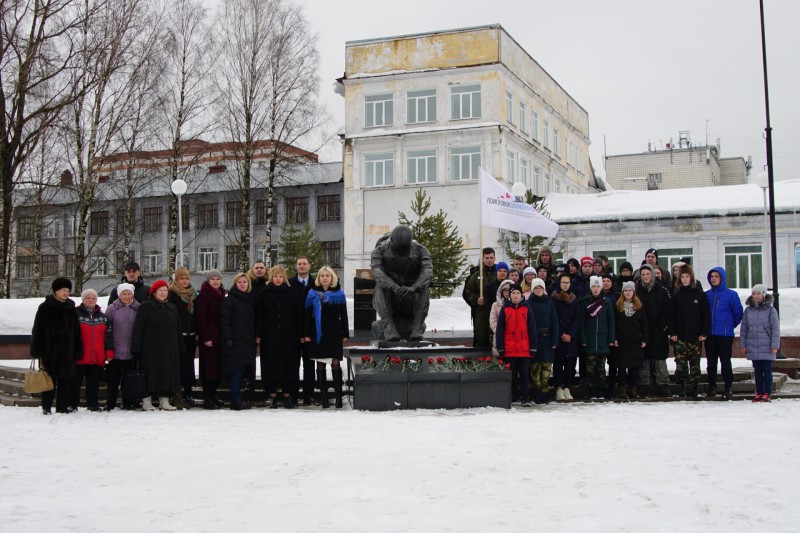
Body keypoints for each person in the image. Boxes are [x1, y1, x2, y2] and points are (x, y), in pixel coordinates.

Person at [131, 280, 184, 411]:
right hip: (150, 349)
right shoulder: (145, 306)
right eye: (160, 290)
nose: (163, 293)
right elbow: (138, 328)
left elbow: (178, 328)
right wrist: (136, 347)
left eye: (165, 290)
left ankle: (164, 400)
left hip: (169, 349)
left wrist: (181, 346)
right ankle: (146, 400)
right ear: (154, 293)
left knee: (166, 373)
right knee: (149, 374)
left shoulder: (172, 307)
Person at [31, 277, 81, 415]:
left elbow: (76, 331)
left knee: (65, 381)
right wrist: (36, 349)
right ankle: (46, 406)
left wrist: (77, 349)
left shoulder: (71, 307)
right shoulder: (45, 307)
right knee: (49, 380)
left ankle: (62, 407)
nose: (66, 293)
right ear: (56, 291)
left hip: (67, 351)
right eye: (63, 290)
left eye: (68, 290)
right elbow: (38, 329)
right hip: (49, 351)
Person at [256, 266, 304, 408]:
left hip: (290, 337)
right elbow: (259, 316)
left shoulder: (291, 293)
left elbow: (298, 315)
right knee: (270, 366)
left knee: (290, 366)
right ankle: (272, 396)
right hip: (269, 337)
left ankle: (287, 395)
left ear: (284, 278)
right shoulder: (264, 293)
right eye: (275, 276)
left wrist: (300, 334)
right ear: (271, 277)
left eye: (281, 276)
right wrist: (258, 334)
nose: (278, 279)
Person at [304, 266, 349, 408]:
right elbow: (307, 315)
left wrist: (345, 333)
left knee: (335, 362)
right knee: (320, 362)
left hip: (334, 333)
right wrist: (306, 333)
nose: (324, 278)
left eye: (327, 275)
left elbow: (344, 315)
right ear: (318, 278)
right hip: (318, 333)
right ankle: (323, 396)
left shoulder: (339, 294)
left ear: (332, 278)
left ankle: (338, 396)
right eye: (322, 275)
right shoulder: (312, 293)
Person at [669, 264, 710, 399]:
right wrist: (673, 333)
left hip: (695, 337)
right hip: (680, 337)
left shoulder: (699, 294)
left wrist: (704, 332)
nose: (685, 279)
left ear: (691, 278)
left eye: (687, 276)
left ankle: (693, 389)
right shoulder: (676, 295)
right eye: (682, 277)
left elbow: (706, 315)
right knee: (681, 366)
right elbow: (672, 316)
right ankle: (683, 389)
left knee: (695, 366)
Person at [705, 267, 744, 400]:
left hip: (725, 334)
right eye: (712, 276)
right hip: (710, 334)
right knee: (711, 362)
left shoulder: (731, 295)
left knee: (725, 361)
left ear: (722, 278)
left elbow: (738, 313)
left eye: (716, 276)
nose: (713, 278)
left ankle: (728, 387)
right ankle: (712, 386)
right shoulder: (707, 294)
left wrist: (729, 325)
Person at [72, 289, 113, 412]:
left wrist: (109, 352)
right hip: (79, 356)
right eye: (88, 298)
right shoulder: (75, 315)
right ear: (83, 300)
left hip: (97, 357)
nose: (91, 300)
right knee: (75, 383)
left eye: (93, 298)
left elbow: (109, 337)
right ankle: (72, 404)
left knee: (93, 384)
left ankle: (93, 404)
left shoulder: (103, 317)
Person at [221, 273, 257, 411]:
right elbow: (225, 319)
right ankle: (235, 399)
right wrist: (228, 337)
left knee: (243, 371)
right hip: (235, 341)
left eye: (245, 282)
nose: (242, 284)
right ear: (235, 284)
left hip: (247, 341)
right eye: (239, 282)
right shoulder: (230, 299)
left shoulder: (250, 299)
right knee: (236, 370)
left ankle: (238, 398)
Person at [496, 284, 537, 406]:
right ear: (510, 295)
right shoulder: (505, 309)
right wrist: (501, 347)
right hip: (510, 349)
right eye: (513, 293)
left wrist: (533, 346)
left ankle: (525, 397)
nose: (515, 295)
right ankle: (511, 397)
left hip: (524, 349)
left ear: (522, 295)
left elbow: (532, 329)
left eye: (518, 293)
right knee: (511, 374)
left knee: (524, 374)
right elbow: (500, 330)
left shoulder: (527, 308)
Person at [636, 264, 672, 397]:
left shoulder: (661, 290)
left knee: (659, 357)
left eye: (648, 274)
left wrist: (661, 326)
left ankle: (663, 383)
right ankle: (643, 384)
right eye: (643, 274)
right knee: (644, 358)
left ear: (652, 275)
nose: (645, 277)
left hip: (658, 330)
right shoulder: (637, 290)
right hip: (642, 329)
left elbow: (666, 310)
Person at [740, 284, 780, 402]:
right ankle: (759, 392)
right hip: (753, 345)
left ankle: (767, 393)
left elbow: (775, 329)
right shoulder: (748, 311)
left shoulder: (771, 311)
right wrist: (743, 344)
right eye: (754, 294)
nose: (756, 296)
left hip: (767, 345)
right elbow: (744, 328)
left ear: (763, 295)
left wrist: (775, 345)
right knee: (757, 370)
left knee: (766, 370)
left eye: (758, 293)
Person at [579, 276, 616, 400]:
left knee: (601, 368)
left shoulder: (606, 302)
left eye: (598, 286)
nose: (596, 289)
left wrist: (611, 339)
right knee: (590, 368)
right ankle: (591, 390)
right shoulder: (584, 302)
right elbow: (582, 323)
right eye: (594, 286)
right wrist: (583, 339)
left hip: (603, 341)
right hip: (589, 341)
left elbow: (611, 321)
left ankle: (600, 390)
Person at [195, 269, 226, 410]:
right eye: (212, 279)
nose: (215, 281)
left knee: (218, 369)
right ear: (208, 281)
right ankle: (208, 398)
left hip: (220, 337)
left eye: (217, 279)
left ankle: (213, 395)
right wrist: (206, 337)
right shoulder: (204, 296)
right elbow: (200, 319)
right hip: (209, 339)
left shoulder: (221, 294)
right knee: (209, 370)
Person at [105, 282, 140, 411]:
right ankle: (110, 403)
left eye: (129, 293)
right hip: (116, 350)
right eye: (123, 294)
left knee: (129, 379)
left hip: (131, 350)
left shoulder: (138, 308)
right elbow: (106, 329)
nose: (126, 296)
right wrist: (109, 348)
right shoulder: (112, 309)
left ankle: (128, 402)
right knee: (113, 379)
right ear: (119, 295)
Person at [167, 267, 198, 408]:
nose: (184, 281)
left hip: (191, 335)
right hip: (177, 336)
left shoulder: (194, 294)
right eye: (181, 278)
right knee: (177, 364)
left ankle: (188, 391)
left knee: (189, 364)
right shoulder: (171, 294)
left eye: (186, 278)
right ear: (176, 280)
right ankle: (176, 392)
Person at [613, 282, 648, 400]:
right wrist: (614, 338)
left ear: (634, 292)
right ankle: (622, 387)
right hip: (622, 340)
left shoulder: (639, 306)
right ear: (623, 292)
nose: (628, 292)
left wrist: (644, 338)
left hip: (635, 341)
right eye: (626, 290)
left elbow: (644, 324)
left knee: (634, 367)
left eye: (630, 290)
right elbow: (614, 324)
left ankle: (633, 387)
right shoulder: (617, 306)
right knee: (622, 367)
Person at [289, 256, 317, 405]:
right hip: (293, 332)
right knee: (294, 365)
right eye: (299, 264)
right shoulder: (290, 284)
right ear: (296, 267)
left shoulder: (316, 284)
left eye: (304, 264)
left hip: (311, 333)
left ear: (309, 266)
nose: (301, 266)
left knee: (309, 366)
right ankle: (293, 395)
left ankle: (308, 395)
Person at [527, 279, 559, 404]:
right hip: (535, 339)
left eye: (540, 288)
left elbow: (554, 322)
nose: (539, 290)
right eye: (536, 288)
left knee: (546, 369)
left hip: (548, 339)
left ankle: (545, 392)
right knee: (535, 369)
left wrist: (555, 340)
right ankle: (536, 392)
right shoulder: (529, 303)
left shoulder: (549, 302)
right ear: (533, 290)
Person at [552, 274, 580, 401]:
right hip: (559, 334)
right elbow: (553, 319)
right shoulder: (553, 298)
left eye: (567, 282)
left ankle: (567, 387)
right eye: (563, 282)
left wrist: (570, 334)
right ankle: (558, 387)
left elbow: (577, 318)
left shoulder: (574, 298)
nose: (565, 285)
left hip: (571, 335)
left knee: (570, 362)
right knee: (558, 362)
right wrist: (562, 334)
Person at [463, 247, 497, 348]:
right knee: (481, 338)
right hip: (481, 313)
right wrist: (476, 300)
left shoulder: (500, 273)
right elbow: (468, 292)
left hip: (497, 311)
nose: (489, 260)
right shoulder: (476, 275)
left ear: (495, 258)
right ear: (482, 259)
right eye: (487, 258)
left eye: (491, 257)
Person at [245, 260, 269, 391]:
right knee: (250, 355)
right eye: (257, 268)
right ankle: (250, 381)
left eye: (261, 268)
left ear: (265, 269)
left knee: (267, 356)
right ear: (252, 269)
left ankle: (267, 382)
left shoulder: (269, 283)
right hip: (250, 324)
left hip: (266, 324)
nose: (259, 270)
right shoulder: (248, 283)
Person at [489, 280, 515, 356]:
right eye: (505, 290)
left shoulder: (517, 304)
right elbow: (493, 320)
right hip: (500, 336)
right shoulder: (496, 305)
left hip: (513, 336)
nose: (507, 292)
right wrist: (498, 330)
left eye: (509, 290)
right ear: (501, 291)